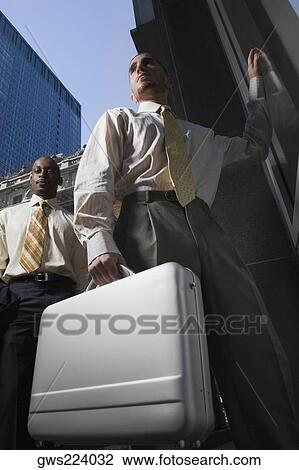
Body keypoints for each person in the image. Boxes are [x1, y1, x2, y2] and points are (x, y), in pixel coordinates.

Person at [73, 50, 299, 449]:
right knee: (159, 342)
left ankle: (275, 444)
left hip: (205, 225)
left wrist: (256, 86)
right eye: (133, 68)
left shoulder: (203, 136)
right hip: (148, 219)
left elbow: (255, 147)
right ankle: (163, 450)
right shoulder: (119, 119)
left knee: (245, 331)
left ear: (169, 79)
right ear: (130, 88)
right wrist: (98, 239)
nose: (141, 69)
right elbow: (95, 177)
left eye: (149, 63)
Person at [0, 156, 88, 449]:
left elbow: (82, 271)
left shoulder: (74, 223)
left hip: (62, 298)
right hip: (19, 297)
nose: (42, 176)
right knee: (14, 382)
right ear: (30, 178)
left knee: (60, 380)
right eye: (37, 171)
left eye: (50, 172)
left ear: (60, 180)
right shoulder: (7, 216)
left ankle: (52, 451)